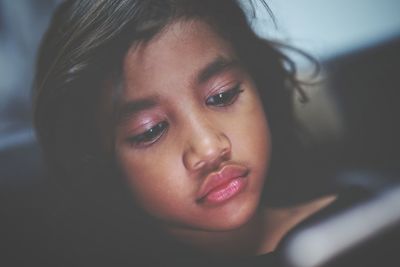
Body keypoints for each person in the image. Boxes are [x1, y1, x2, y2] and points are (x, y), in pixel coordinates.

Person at [32, 0, 339, 266]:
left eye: (222, 95)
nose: (208, 148)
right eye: (150, 130)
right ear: (99, 162)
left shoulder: (356, 227)